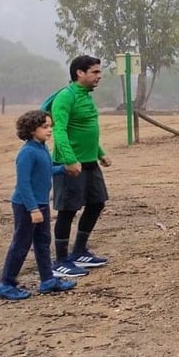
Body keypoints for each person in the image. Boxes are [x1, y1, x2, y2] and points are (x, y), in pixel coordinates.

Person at [0, 111, 77, 300]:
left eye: (50, 126)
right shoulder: (27, 152)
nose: (50, 130)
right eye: (45, 127)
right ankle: (5, 283)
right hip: (26, 205)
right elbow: (23, 184)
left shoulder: (41, 148)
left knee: (43, 241)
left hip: (40, 203)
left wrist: (64, 169)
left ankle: (48, 280)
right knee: (21, 244)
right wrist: (32, 209)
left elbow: (45, 171)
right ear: (32, 130)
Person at [48, 55, 111, 279]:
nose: (99, 76)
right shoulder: (66, 97)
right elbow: (60, 131)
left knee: (97, 203)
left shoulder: (86, 96)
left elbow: (86, 131)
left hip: (90, 162)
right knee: (68, 210)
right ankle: (61, 261)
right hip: (70, 164)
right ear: (79, 73)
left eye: (98, 72)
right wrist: (69, 159)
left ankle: (80, 251)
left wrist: (100, 153)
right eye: (94, 72)